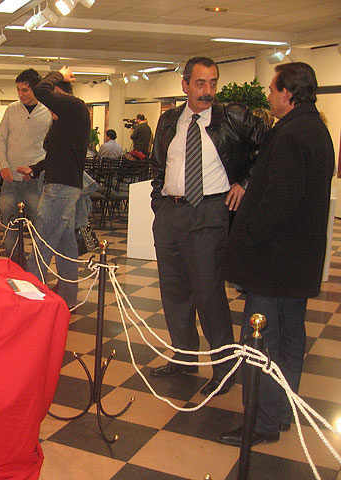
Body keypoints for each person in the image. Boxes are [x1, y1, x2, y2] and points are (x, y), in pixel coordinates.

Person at [218, 62, 334, 447]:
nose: (267, 95)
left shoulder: (290, 134)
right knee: (289, 338)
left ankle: (262, 421)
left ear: (288, 93)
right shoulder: (317, 129)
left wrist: (245, 235)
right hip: (296, 263)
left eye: (271, 89)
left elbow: (278, 202)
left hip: (274, 260)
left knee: (262, 340)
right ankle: (281, 413)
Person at [149, 56, 267, 396]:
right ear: (185, 85)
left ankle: (224, 369)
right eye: (200, 83)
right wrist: (159, 202)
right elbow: (159, 165)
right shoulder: (169, 120)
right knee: (174, 292)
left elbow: (268, 149)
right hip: (171, 213)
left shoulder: (232, 117)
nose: (208, 90)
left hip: (209, 211)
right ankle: (183, 357)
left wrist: (245, 181)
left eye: (213, 82)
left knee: (209, 293)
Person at [17, 67, 89, 309]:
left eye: (52, 100)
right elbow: (57, 156)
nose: (48, 106)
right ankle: (68, 299)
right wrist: (35, 169)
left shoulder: (75, 108)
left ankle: (30, 302)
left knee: (42, 243)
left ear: (62, 95)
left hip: (62, 189)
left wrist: (60, 73)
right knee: (64, 245)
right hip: (61, 185)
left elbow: (41, 90)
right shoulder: (63, 120)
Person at [0, 68, 52, 260]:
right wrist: (3, 166)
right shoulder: (11, 110)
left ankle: (36, 268)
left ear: (36, 89)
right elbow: (1, 140)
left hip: (36, 181)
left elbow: (52, 147)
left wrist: (36, 170)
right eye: (18, 90)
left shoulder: (47, 112)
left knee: (40, 226)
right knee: (10, 225)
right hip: (11, 180)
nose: (21, 95)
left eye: (25, 90)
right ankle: (14, 266)